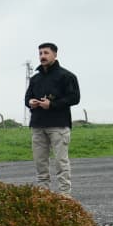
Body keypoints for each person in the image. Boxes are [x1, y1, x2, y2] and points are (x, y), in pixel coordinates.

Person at [25, 41, 81, 195]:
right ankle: (44, 197)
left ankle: (65, 198)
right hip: (38, 125)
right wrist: (31, 102)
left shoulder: (66, 76)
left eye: (46, 53)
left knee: (61, 163)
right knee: (40, 164)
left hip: (58, 125)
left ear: (55, 55)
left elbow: (75, 98)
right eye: (40, 53)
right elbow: (27, 98)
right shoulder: (35, 79)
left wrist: (52, 104)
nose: (42, 56)